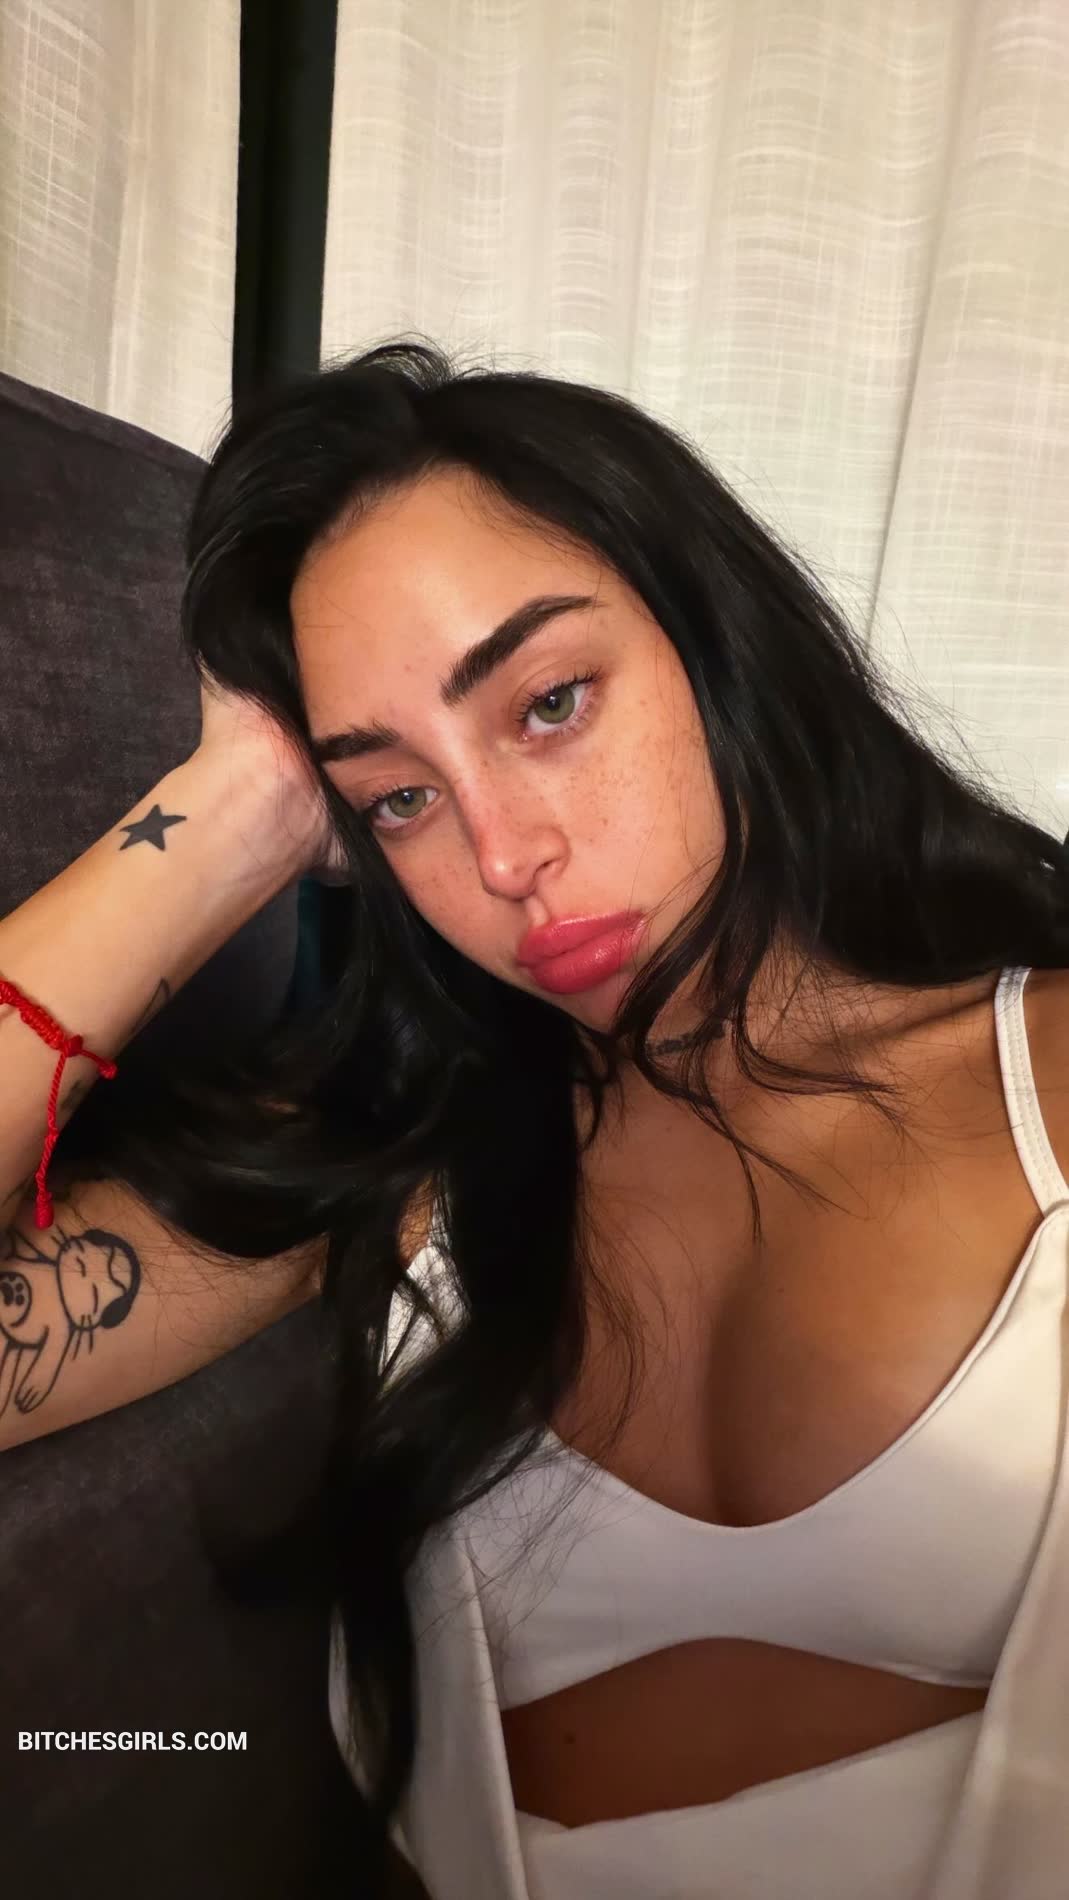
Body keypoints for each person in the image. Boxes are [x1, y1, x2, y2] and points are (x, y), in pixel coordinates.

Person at [2, 337, 1067, 1900]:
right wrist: (231, 817)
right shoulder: (406, 1165)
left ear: (716, 640)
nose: (500, 856)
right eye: (398, 797)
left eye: (549, 702)